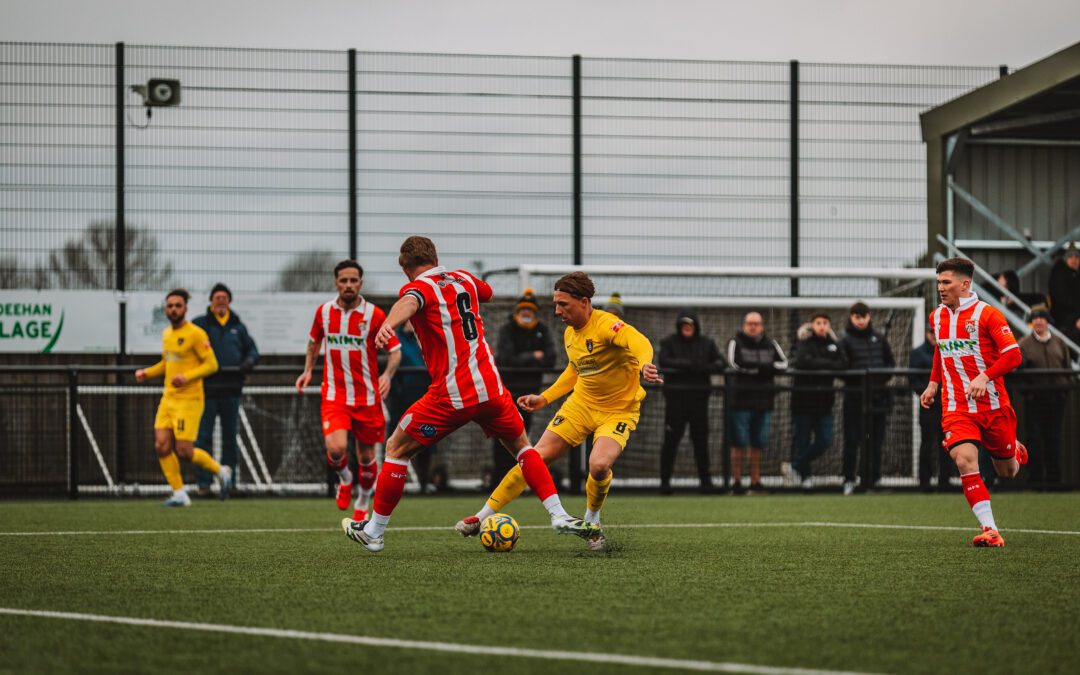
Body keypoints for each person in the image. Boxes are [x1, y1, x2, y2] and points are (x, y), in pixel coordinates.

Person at [342, 237, 597, 553]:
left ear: (404, 267)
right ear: (436, 258)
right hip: (492, 389)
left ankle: (374, 532)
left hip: (452, 395)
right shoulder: (463, 278)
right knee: (523, 448)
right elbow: (486, 293)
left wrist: (389, 324)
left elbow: (408, 302)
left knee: (396, 448)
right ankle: (558, 514)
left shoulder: (418, 289)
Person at [453, 271, 661, 551]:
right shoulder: (569, 333)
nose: (557, 310)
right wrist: (544, 398)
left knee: (599, 466)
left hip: (618, 411)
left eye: (563, 304)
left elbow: (639, 342)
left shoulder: (606, 325)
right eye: (556, 304)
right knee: (534, 458)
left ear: (584, 301)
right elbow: (575, 369)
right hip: (581, 406)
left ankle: (592, 520)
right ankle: (481, 517)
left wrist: (645, 363)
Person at [920, 257, 1028, 547]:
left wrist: (985, 377)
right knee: (964, 460)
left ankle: (1014, 450)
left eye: (946, 282)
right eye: (939, 282)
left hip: (993, 407)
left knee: (1008, 471)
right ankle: (990, 529)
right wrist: (933, 383)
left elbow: (1013, 355)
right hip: (956, 406)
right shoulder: (936, 317)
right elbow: (941, 351)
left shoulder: (987, 315)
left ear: (965, 284)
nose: (941, 288)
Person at [295, 260, 401, 521]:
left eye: (353, 280)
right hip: (335, 395)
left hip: (367, 397)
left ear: (360, 283)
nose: (349, 285)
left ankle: (364, 499)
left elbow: (396, 350)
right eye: (344, 280)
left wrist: (387, 374)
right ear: (336, 283)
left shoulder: (374, 315)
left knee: (366, 458)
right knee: (336, 448)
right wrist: (308, 370)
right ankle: (345, 479)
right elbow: (313, 342)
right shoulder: (324, 312)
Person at [135, 288, 231, 506]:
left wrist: (187, 377)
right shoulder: (167, 334)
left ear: (185, 308)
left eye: (178, 305)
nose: (173, 309)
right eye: (170, 306)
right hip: (168, 398)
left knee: (185, 451)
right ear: (165, 309)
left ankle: (220, 471)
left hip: (190, 400)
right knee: (161, 445)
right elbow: (167, 363)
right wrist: (147, 373)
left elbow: (212, 364)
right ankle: (179, 493)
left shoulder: (196, 334)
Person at [192, 283, 259, 497]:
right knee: (203, 437)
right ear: (211, 301)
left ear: (229, 301)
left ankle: (230, 482)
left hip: (231, 390)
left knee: (231, 438)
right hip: (206, 391)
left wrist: (249, 361)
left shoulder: (238, 327)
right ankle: (204, 484)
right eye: (217, 297)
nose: (221, 301)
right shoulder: (200, 325)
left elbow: (252, 350)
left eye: (224, 297)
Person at [489, 288, 556, 486]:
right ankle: (499, 480)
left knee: (523, 438)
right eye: (523, 310)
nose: (526, 314)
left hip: (530, 395)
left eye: (530, 310)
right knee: (502, 437)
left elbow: (550, 359)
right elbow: (506, 358)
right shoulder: (507, 329)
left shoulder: (542, 330)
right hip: (508, 394)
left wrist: (523, 360)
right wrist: (533, 356)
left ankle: (516, 480)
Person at [657, 309, 724, 494]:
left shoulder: (707, 344)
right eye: (684, 324)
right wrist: (690, 365)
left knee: (701, 442)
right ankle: (665, 483)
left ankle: (706, 482)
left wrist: (701, 367)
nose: (687, 328)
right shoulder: (669, 343)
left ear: (696, 326)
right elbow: (664, 361)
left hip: (699, 402)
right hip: (675, 403)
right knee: (670, 441)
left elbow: (720, 363)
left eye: (691, 324)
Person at [723, 311, 787, 494]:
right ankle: (736, 482)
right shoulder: (735, 342)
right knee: (738, 443)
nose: (753, 326)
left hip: (764, 401)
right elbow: (735, 365)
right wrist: (763, 368)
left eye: (756, 323)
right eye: (749, 323)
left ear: (762, 326)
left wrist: (761, 368)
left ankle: (755, 481)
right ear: (744, 325)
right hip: (740, 401)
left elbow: (783, 364)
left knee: (757, 443)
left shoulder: (771, 343)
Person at [839, 301, 895, 495]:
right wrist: (861, 377)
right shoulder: (844, 341)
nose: (860, 320)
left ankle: (872, 479)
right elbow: (841, 369)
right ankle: (848, 479)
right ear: (851, 318)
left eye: (863, 316)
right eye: (856, 316)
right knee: (852, 441)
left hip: (878, 398)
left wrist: (878, 378)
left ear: (869, 316)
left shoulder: (879, 339)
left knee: (875, 441)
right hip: (854, 398)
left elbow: (890, 364)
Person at [1018, 307, 1071, 490]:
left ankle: (1054, 480)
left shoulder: (1060, 342)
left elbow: (1067, 367)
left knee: (1054, 438)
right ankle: (1035, 480)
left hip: (1057, 398)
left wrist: (1064, 390)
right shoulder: (1023, 344)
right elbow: (1018, 370)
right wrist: (1029, 392)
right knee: (1034, 439)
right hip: (1035, 399)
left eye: (1042, 318)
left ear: (1048, 321)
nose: (1039, 321)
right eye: (1035, 319)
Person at [790, 313, 845, 491]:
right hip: (803, 402)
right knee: (802, 441)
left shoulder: (834, 344)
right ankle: (805, 477)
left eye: (825, 323)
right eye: (818, 323)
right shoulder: (803, 342)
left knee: (824, 441)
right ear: (812, 324)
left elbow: (842, 364)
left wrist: (821, 365)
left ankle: (794, 465)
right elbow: (804, 362)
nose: (822, 326)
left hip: (825, 403)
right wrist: (828, 364)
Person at [386, 320, 437, 493]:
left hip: (427, 399)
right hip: (403, 401)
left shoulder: (428, 337)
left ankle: (424, 483)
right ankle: (393, 484)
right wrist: (398, 392)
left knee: (427, 440)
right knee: (398, 443)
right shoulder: (397, 339)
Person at [908, 327, 952, 492]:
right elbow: (913, 380)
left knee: (947, 444)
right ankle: (924, 481)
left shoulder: (948, 350)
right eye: (931, 333)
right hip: (929, 406)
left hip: (948, 406)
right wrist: (929, 394)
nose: (934, 336)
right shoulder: (918, 353)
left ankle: (945, 481)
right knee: (927, 443)